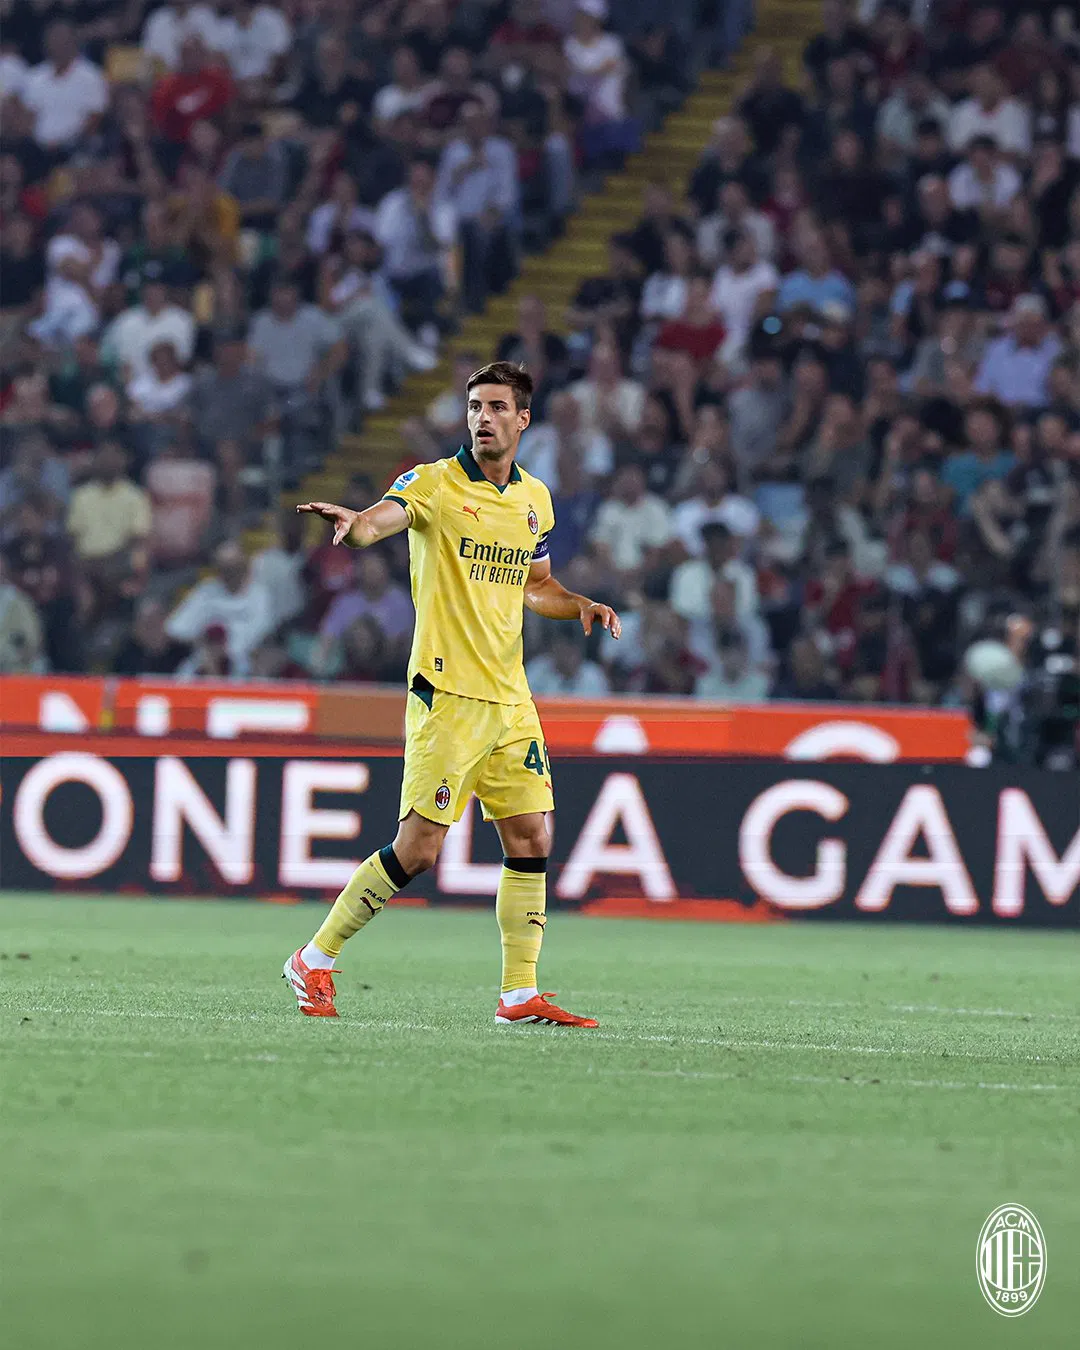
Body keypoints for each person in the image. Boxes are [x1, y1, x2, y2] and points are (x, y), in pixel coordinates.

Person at [290, 361, 621, 1024]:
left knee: (532, 835)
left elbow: (536, 586)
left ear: (523, 419)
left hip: (510, 698)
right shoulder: (434, 483)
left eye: (498, 407)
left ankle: (519, 993)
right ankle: (314, 958)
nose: (483, 418)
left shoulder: (536, 500)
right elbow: (381, 522)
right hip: (447, 694)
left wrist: (578, 604)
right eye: (475, 407)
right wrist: (355, 525)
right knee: (419, 849)